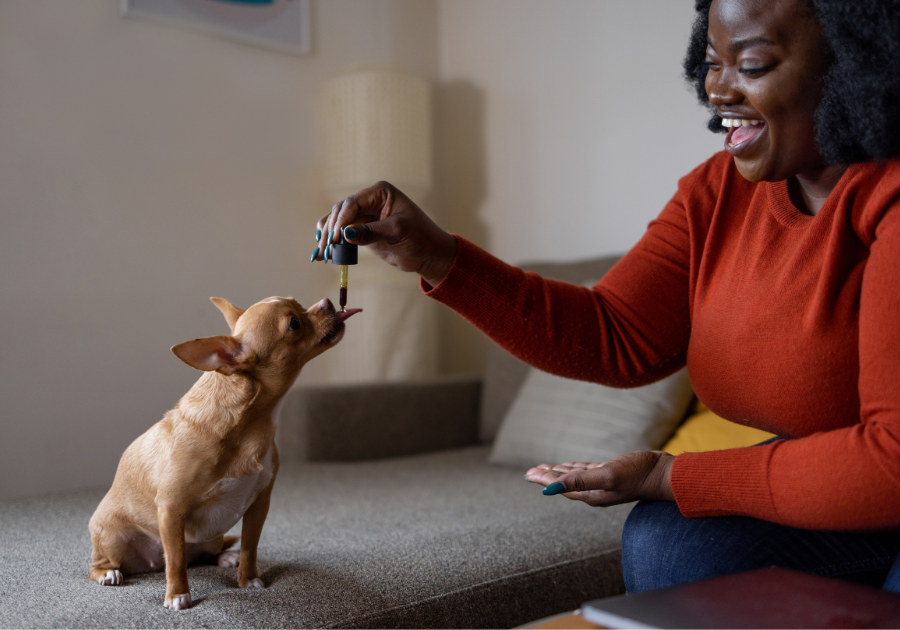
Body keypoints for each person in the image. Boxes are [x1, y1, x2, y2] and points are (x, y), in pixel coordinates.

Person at [312, 0, 900, 594]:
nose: (717, 88)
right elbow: (615, 334)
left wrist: (671, 475)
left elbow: (892, 462)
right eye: (711, 61)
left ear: (855, 61)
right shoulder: (717, 191)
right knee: (668, 547)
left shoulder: (891, 195)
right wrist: (437, 256)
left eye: (750, 64)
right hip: (842, 487)